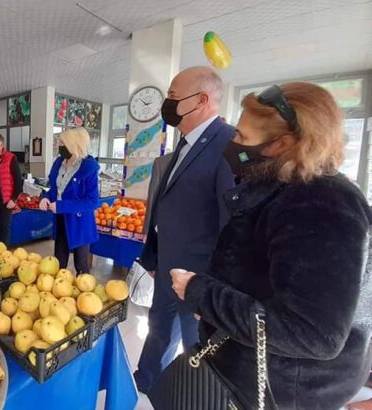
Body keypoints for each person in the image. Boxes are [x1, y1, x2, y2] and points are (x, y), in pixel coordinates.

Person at [169, 82, 372, 409]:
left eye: (242, 138)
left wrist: (203, 294)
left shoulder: (321, 206)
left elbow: (312, 333)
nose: (233, 144)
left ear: (283, 144)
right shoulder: (284, 187)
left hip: (276, 391)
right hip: (246, 374)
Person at [134, 66, 236, 393]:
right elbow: (166, 205)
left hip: (198, 278)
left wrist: (212, 287)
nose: (168, 102)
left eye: (174, 96)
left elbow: (231, 224)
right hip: (166, 266)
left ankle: (192, 395)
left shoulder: (227, 144)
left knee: (197, 346)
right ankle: (147, 383)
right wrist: (153, 256)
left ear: (202, 99)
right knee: (158, 330)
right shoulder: (185, 142)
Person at [39, 127, 99, 274]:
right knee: (59, 260)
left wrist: (61, 206)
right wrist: (45, 198)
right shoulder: (59, 162)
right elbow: (53, 189)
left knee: (81, 264)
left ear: (74, 144)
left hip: (79, 223)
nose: (59, 146)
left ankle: (85, 294)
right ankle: (58, 289)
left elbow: (92, 201)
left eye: (62, 143)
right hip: (60, 218)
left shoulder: (88, 168)